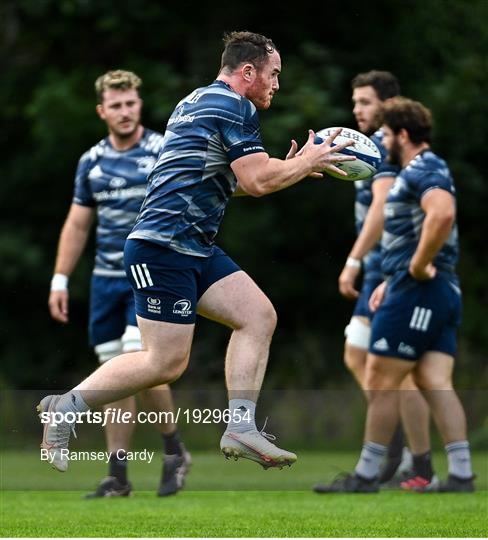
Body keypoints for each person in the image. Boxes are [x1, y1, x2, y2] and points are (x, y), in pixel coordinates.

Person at [39, 31, 356, 472]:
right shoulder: (235, 106)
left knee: (258, 316)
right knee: (164, 362)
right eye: (274, 74)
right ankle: (65, 408)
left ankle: (241, 427)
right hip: (162, 246)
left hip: (190, 245)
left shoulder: (193, 101)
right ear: (249, 72)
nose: (277, 85)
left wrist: (293, 167)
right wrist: (307, 161)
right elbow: (255, 181)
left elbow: (221, 180)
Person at [314, 96, 475, 493]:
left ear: (402, 134)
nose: (380, 141)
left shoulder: (424, 168)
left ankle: (367, 475)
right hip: (427, 287)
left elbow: (442, 214)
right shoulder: (418, 168)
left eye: (385, 133)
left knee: (380, 377)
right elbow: (422, 227)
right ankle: (461, 474)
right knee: (433, 378)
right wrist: (398, 272)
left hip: (418, 289)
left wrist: (416, 267)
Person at [48, 70, 191, 496]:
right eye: (116, 105)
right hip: (105, 281)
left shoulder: (161, 149)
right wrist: (59, 279)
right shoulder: (91, 161)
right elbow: (77, 224)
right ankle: (118, 476)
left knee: (139, 359)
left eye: (131, 103)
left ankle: (172, 447)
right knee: (114, 373)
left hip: (150, 274)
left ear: (139, 105)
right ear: (102, 111)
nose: (125, 112)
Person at [333, 71, 435, 488]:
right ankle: (400, 446)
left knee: (393, 369)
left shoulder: (386, 153)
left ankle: (413, 458)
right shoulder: (372, 149)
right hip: (380, 269)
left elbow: (379, 209)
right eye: (355, 102)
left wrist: (353, 261)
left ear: (387, 106)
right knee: (361, 356)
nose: (356, 109)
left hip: (386, 270)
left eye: (365, 102)